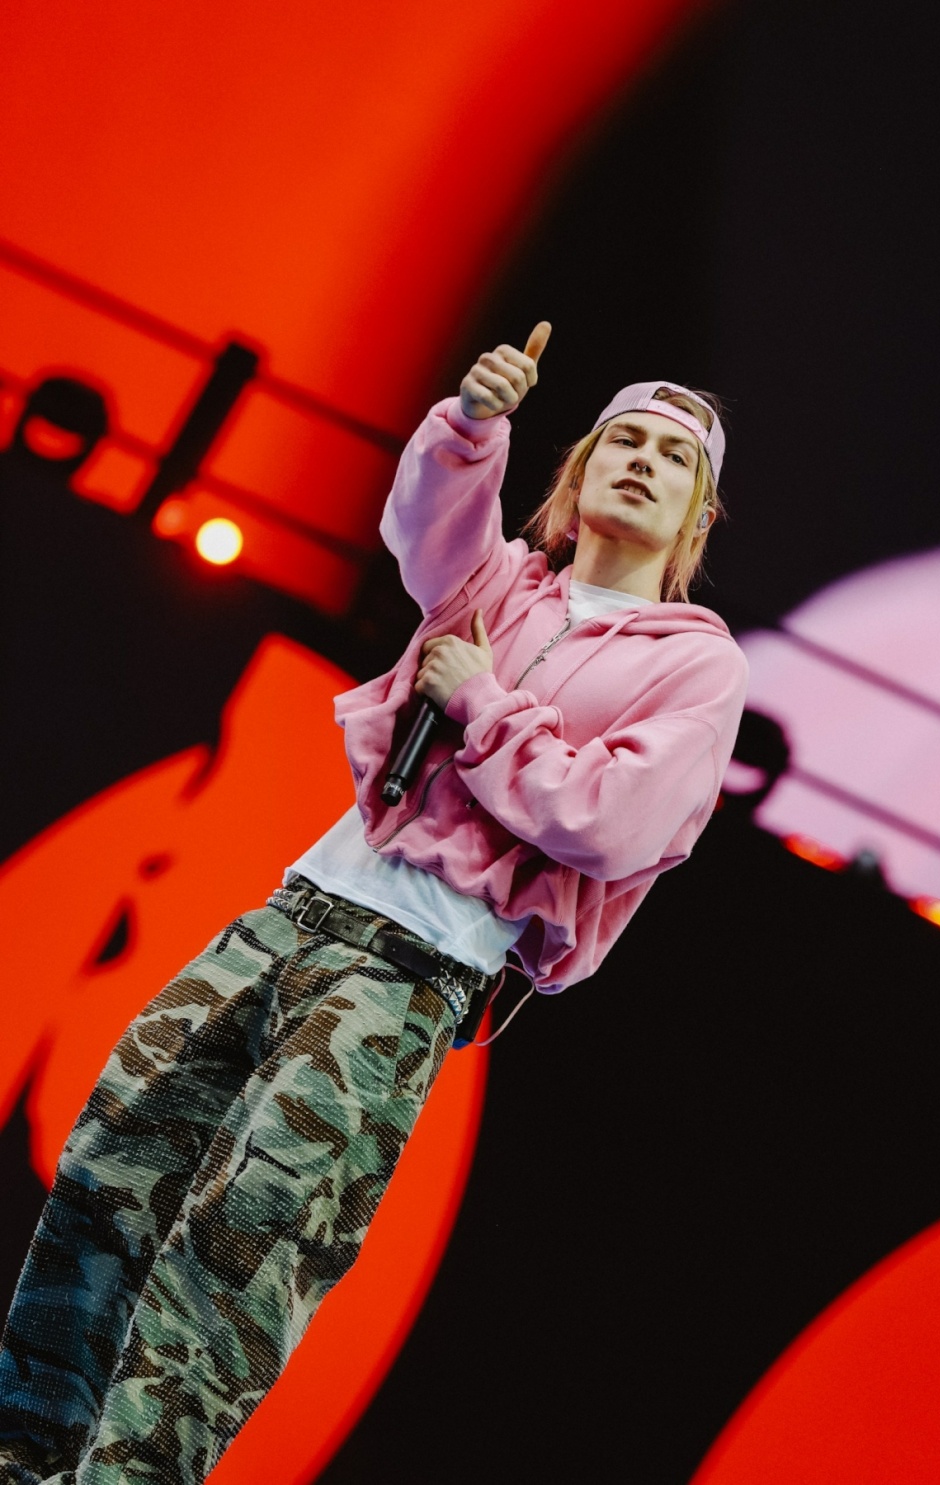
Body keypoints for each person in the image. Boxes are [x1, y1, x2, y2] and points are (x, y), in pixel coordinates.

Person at [0, 323, 748, 1485]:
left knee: (241, 1246)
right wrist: (475, 422)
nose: (642, 462)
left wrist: (486, 705)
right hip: (296, 912)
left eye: (673, 457)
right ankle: (25, 1452)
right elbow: (427, 529)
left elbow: (613, 820)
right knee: (112, 1159)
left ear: (697, 519)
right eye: (623, 441)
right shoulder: (505, 584)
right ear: (578, 474)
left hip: (411, 967)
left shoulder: (695, 664)